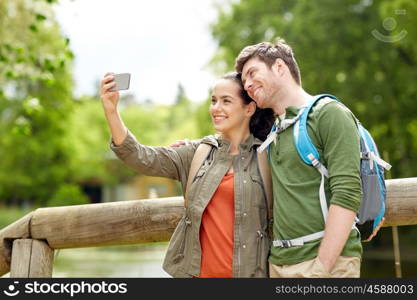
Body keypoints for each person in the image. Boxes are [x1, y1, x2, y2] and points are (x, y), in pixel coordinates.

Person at [100, 72, 274, 278]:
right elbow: (140, 157)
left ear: (249, 108)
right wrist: (111, 111)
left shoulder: (269, 156)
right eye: (213, 101)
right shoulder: (197, 153)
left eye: (226, 101)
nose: (216, 108)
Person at [235, 38, 363, 278]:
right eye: (244, 82)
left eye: (252, 73)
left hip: (327, 265)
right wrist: (191, 149)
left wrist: (320, 270)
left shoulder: (329, 114)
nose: (248, 85)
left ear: (280, 68)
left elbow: (347, 193)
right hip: (280, 265)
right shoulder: (274, 131)